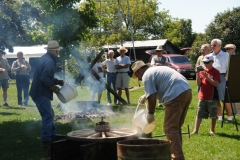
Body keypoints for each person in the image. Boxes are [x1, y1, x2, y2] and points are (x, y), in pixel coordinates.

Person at [132, 61, 192, 160]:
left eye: (137, 74)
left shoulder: (146, 75)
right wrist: (145, 96)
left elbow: (152, 97)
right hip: (186, 90)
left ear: (140, 70)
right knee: (175, 128)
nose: (138, 78)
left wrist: (150, 114)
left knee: (170, 128)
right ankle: (176, 153)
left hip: (175, 94)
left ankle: (177, 157)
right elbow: (159, 86)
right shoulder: (154, 70)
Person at [29, 40, 64, 148]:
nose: (58, 53)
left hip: (38, 91)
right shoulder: (49, 61)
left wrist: (57, 81)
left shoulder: (45, 58)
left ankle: (52, 135)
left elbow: (46, 76)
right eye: (58, 51)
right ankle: (45, 140)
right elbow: (44, 78)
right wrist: (53, 87)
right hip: (41, 92)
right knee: (48, 115)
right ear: (56, 51)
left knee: (50, 114)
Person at [191, 55, 220, 135]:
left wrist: (206, 77)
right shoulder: (201, 71)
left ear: (212, 62)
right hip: (202, 96)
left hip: (212, 96)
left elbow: (216, 84)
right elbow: (198, 84)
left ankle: (212, 130)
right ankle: (195, 130)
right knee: (199, 113)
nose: (205, 64)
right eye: (204, 62)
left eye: (207, 62)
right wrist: (197, 74)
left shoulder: (216, 72)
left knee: (213, 114)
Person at [210, 39, 232, 122]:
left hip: (221, 77)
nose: (212, 47)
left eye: (214, 45)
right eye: (211, 45)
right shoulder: (210, 56)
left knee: (223, 98)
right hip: (211, 78)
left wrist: (226, 78)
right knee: (215, 98)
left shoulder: (226, 55)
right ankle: (220, 116)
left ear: (219, 46)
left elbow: (229, 68)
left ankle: (229, 117)